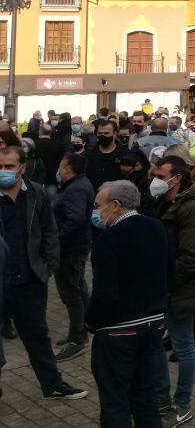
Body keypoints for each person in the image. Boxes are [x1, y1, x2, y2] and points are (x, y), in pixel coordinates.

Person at [0, 143, 88, 401]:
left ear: (22, 168)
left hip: (30, 279)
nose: (3, 171)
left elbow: (49, 230)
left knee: (37, 335)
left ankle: (52, 384)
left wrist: (49, 264)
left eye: (8, 167)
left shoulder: (36, 193)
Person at [86, 180, 170, 427]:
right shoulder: (156, 227)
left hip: (118, 331)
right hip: (153, 324)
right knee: (145, 395)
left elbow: (105, 294)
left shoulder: (107, 239)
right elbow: (170, 274)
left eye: (97, 205)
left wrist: (92, 321)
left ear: (115, 205)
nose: (95, 211)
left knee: (115, 401)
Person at [149, 153, 195, 425]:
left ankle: (182, 403)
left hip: (183, 286)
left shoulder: (193, 208)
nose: (155, 181)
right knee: (155, 347)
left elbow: (194, 256)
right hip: (161, 286)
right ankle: (162, 400)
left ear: (176, 179)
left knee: (184, 345)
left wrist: (166, 280)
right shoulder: (160, 202)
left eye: (160, 177)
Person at [52, 153, 95, 362]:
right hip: (76, 246)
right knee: (78, 287)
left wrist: (56, 241)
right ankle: (83, 328)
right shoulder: (78, 184)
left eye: (61, 166)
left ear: (68, 169)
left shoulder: (76, 188)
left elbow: (75, 220)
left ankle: (77, 338)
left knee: (71, 293)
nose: (59, 170)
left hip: (70, 249)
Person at [85, 118, 126, 191]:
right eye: (100, 133)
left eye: (106, 133)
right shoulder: (89, 154)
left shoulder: (124, 153)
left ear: (114, 134)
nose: (102, 136)